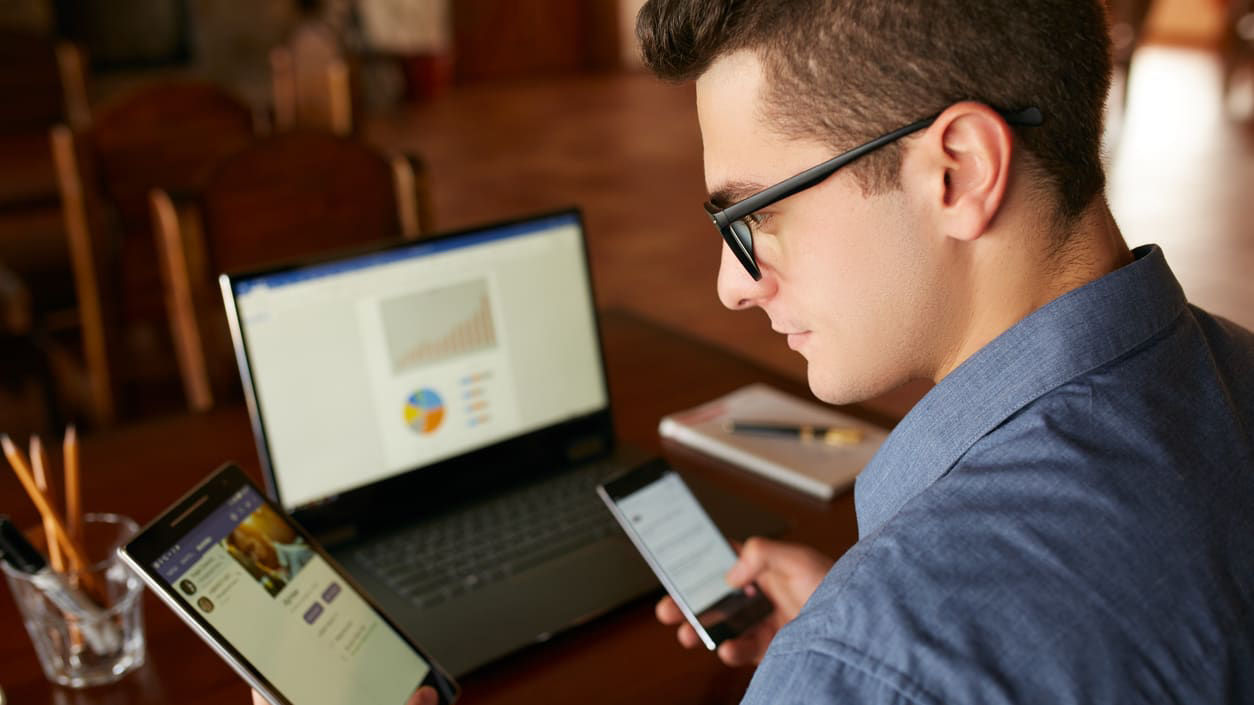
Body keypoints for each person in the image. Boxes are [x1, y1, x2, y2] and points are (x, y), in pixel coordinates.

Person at [634, 0, 1254, 702]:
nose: (730, 287)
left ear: (959, 171)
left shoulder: (861, 662)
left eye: (758, 215)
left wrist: (853, 655)